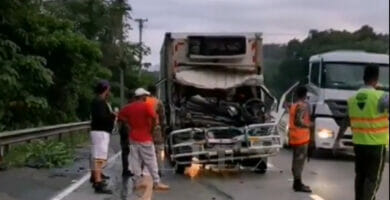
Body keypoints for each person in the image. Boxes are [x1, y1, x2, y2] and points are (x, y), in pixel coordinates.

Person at [334, 65, 388, 200]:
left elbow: (346, 121)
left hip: (359, 145)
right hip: (377, 145)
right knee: (373, 180)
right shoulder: (381, 97)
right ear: (376, 79)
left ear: (363, 78)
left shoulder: (352, 99)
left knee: (361, 177)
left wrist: (337, 140)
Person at [118, 88, 170, 191]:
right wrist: (151, 130)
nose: (146, 98)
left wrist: (129, 126)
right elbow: (154, 118)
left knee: (135, 160)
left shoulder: (128, 107)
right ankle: (156, 182)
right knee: (151, 160)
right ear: (142, 97)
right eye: (145, 96)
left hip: (133, 137)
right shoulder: (146, 106)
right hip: (145, 137)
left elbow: (120, 117)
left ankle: (137, 182)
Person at [89, 80, 115, 194]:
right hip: (101, 132)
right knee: (100, 157)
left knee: (96, 155)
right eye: (108, 89)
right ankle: (98, 183)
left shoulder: (97, 101)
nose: (109, 91)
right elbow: (101, 117)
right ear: (105, 89)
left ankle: (95, 177)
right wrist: (112, 116)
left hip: (98, 131)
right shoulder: (100, 102)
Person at [289, 86, 313, 193]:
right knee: (299, 161)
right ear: (305, 95)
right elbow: (298, 121)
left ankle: (296, 182)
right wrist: (309, 125)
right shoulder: (302, 106)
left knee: (296, 160)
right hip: (301, 138)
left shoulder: (294, 105)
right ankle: (298, 184)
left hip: (294, 136)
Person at [145, 85, 166, 176]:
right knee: (158, 150)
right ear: (156, 91)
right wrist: (163, 131)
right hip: (156, 129)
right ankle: (158, 170)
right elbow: (162, 118)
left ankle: (147, 170)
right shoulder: (158, 102)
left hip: (145, 129)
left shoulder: (144, 102)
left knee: (146, 150)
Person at [119, 91, 135, 177]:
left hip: (123, 131)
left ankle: (125, 169)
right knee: (131, 151)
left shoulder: (124, 107)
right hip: (128, 130)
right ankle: (128, 169)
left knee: (125, 151)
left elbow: (120, 119)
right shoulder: (132, 108)